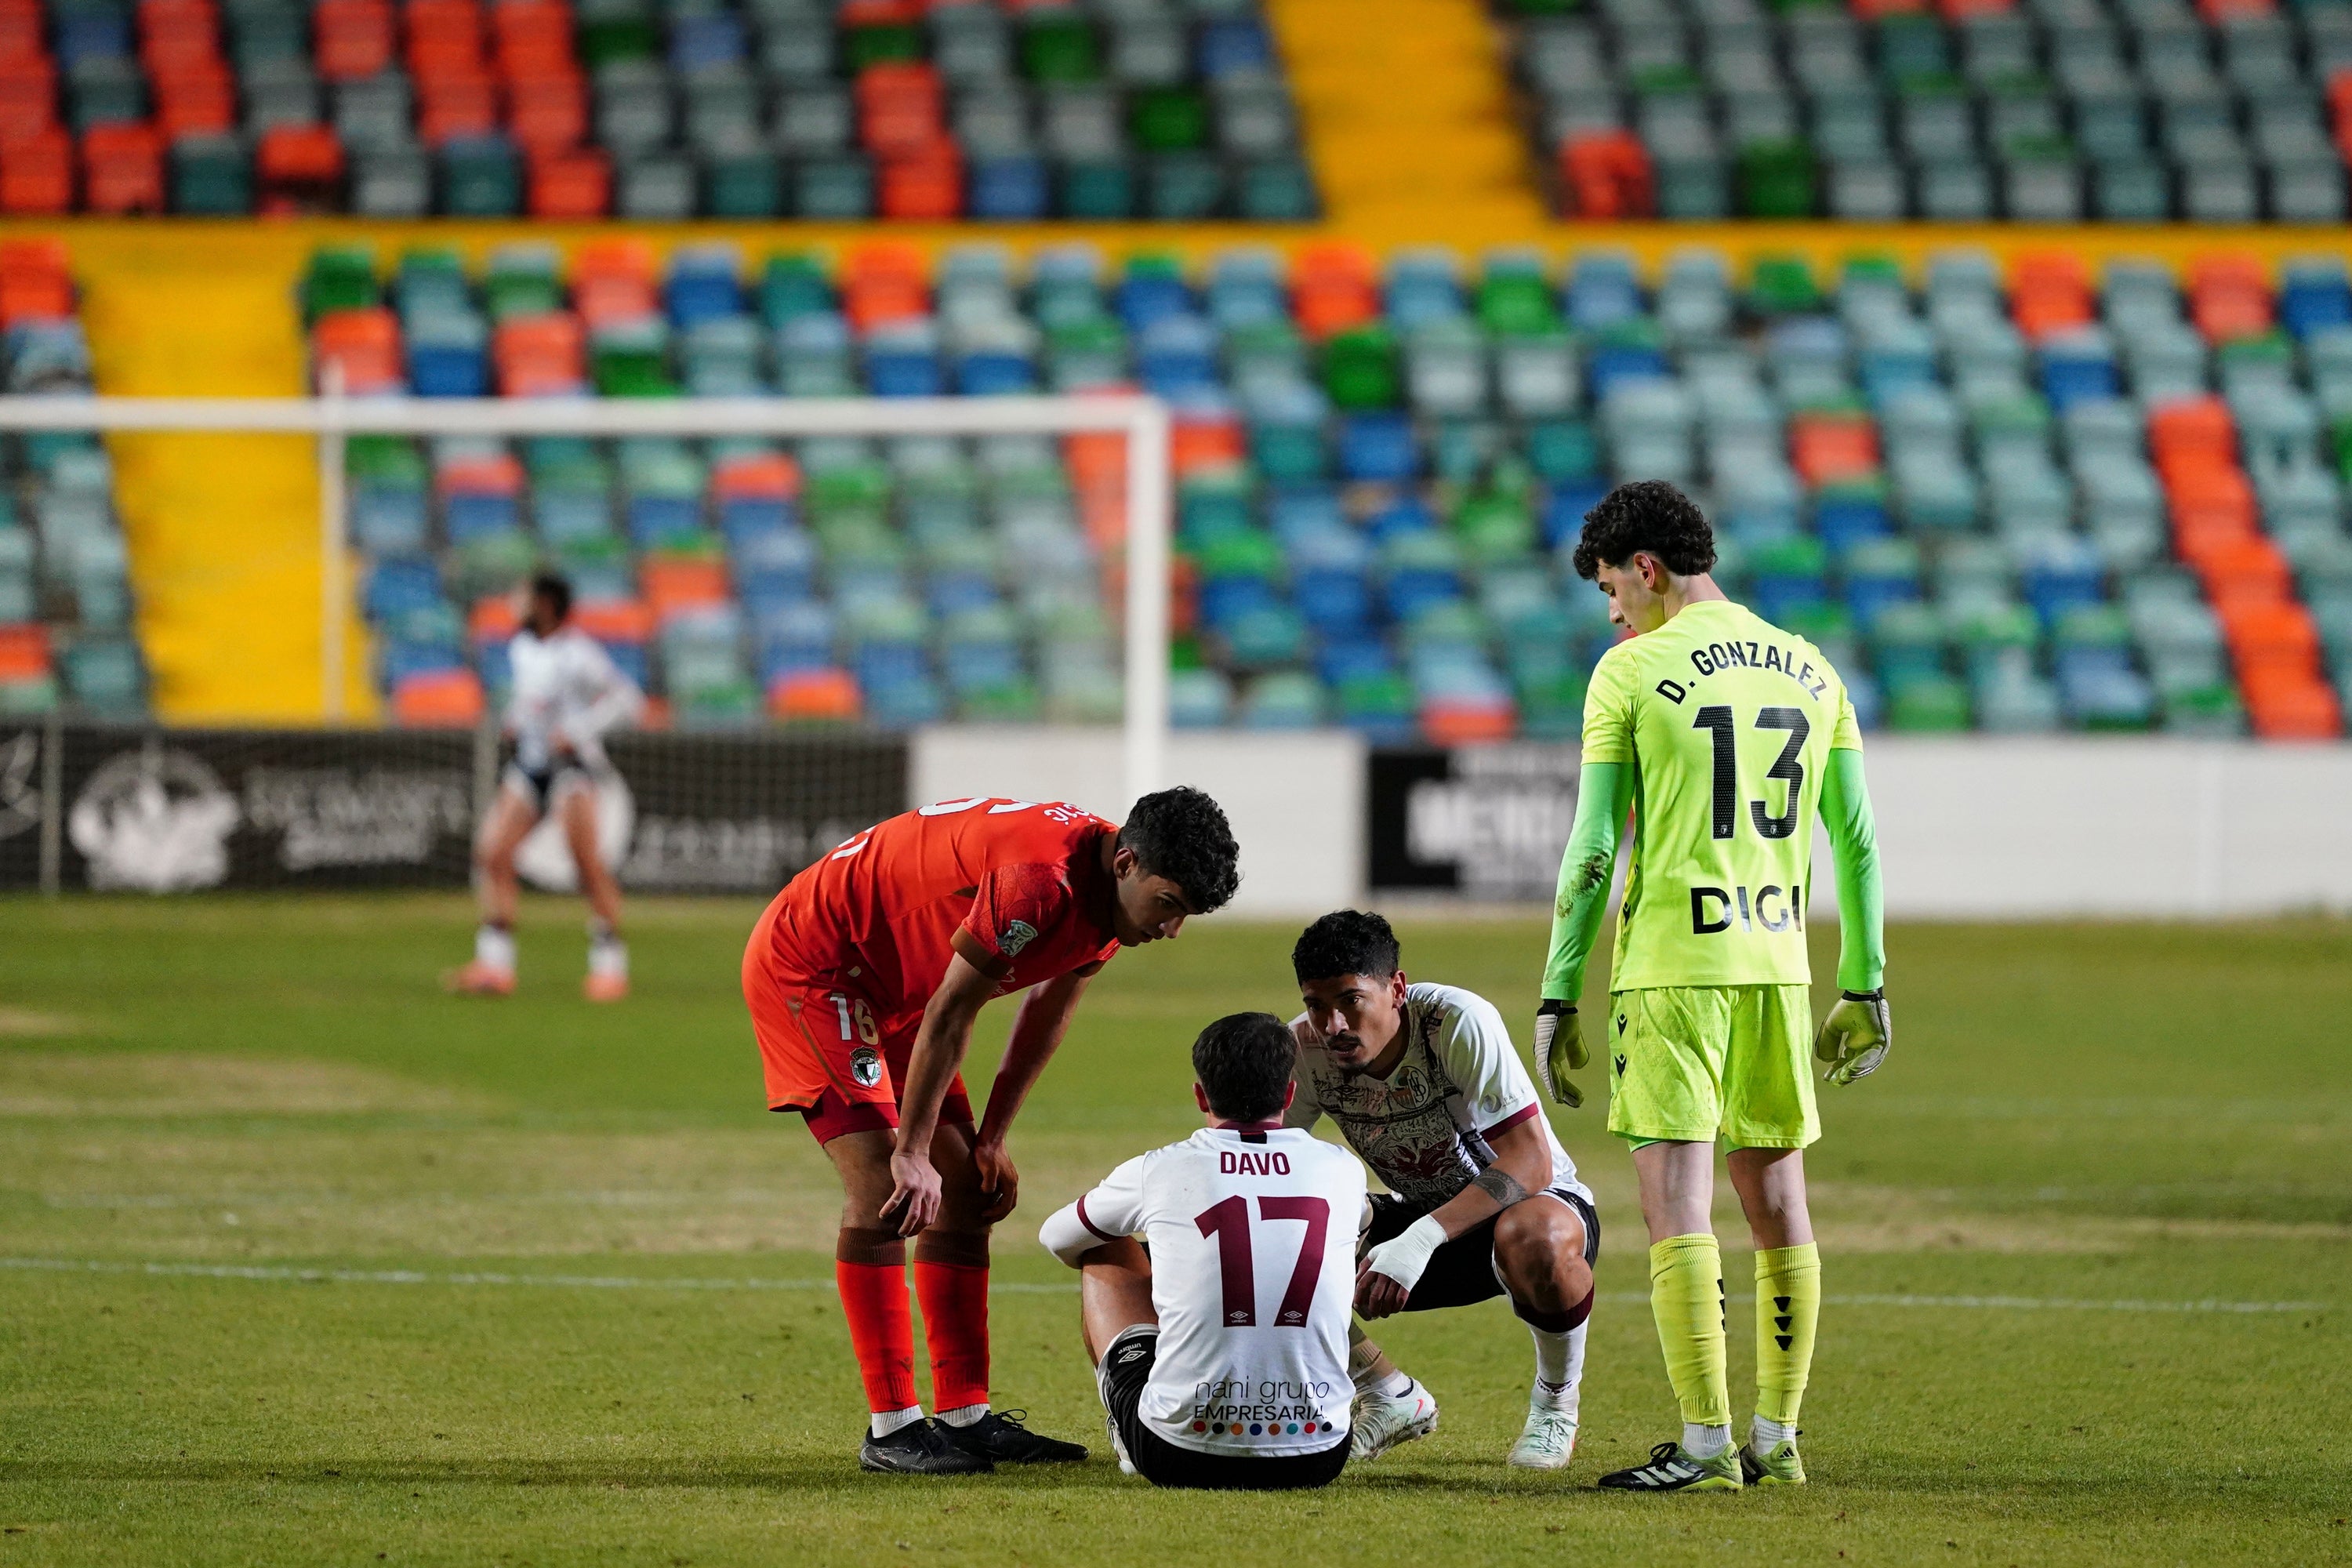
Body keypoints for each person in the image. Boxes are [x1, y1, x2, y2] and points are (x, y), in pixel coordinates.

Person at [1534, 479, 1889, 1494]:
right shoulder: (1814, 669)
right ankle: (1776, 1439)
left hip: (1671, 976)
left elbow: (1595, 849)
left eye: (1610, 586)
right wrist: (1862, 982)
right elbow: (1856, 841)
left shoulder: (1631, 671)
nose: (1610, 610)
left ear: (1646, 569)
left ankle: (1702, 1444)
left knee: (1676, 1205)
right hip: (1778, 971)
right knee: (1781, 1200)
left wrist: (1561, 987)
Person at [741, 788, 1242, 1475]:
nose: (1172, 929)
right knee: (886, 1190)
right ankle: (891, 1430)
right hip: (820, 968)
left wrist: (991, 1139)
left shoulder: (1105, 890)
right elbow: (955, 1008)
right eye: (1170, 904)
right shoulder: (1039, 883)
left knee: (968, 1196)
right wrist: (912, 1152)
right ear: (1127, 863)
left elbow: (1047, 1008)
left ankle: (964, 1419)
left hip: (901, 989)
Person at [1284, 909, 1600, 1472]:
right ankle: (1388, 1395)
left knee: (1534, 1234)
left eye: (1350, 1000)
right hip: (1420, 1221)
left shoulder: (1455, 1020)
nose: (1332, 1024)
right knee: (1273, 1240)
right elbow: (1271, 1164)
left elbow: (1530, 1160)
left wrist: (1419, 1241)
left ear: (1397, 989)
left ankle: (1556, 1405)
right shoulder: (1305, 1051)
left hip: (1528, 1212)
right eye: (1316, 1005)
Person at [1039, 1011, 1362, 1491]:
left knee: (1104, 1243)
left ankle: (1129, 1435)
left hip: (1178, 1454)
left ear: (1200, 1096)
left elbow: (1057, 1237)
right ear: (1290, 1095)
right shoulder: (1341, 1168)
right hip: (1317, 1454)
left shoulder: (1159, 1169)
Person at [448, 572, 643, 1003]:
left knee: (586, 865)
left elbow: (628, 699)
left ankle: (610, 967)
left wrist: (580, 729)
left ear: (547, 605)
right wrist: (516, 720)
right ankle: (495, 965)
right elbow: (532, 699)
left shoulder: (580, 655)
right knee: (493, 854)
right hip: (532, 764)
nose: (515, 603)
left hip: (572, 767)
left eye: (524, 597)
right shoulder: (521, 647)